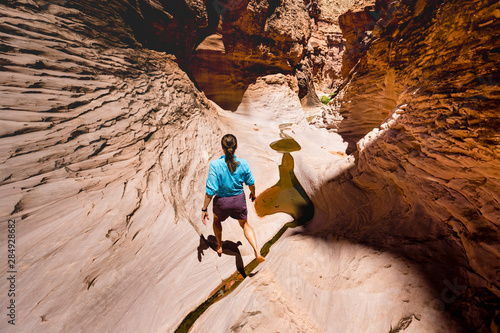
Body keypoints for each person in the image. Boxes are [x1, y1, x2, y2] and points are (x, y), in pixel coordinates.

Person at [202, 134, 265, 263]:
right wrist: (253, 194)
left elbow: (210, 191)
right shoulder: (243, 163)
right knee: (245, 224)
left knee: (216, 220)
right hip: (238, 201)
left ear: (222, 147)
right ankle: (257, 252)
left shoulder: (215, 165)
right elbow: (251, 183)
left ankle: (219, 246)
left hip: (222, 202)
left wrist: (204, 209)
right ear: (236, 147)